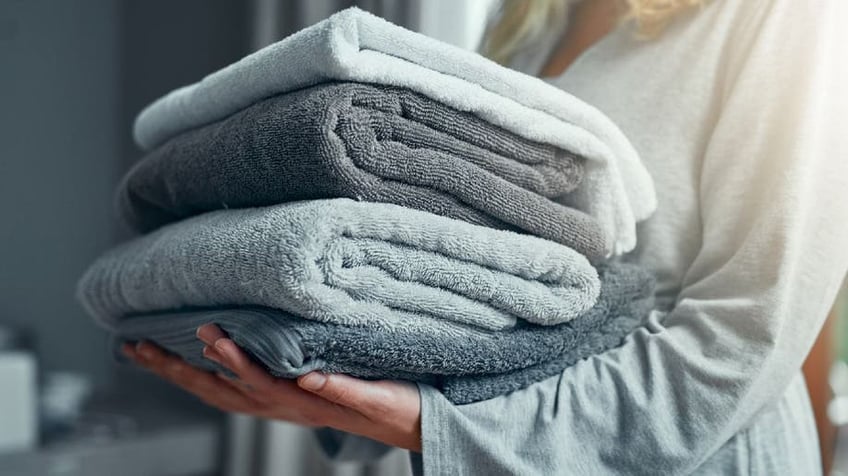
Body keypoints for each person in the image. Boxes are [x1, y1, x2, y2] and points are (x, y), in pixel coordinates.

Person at [122, 0, 848, 473]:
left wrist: (435, 430)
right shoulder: (527, 22)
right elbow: (453, 299)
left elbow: (743, 336)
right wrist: (325, 392)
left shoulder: (786, 16)